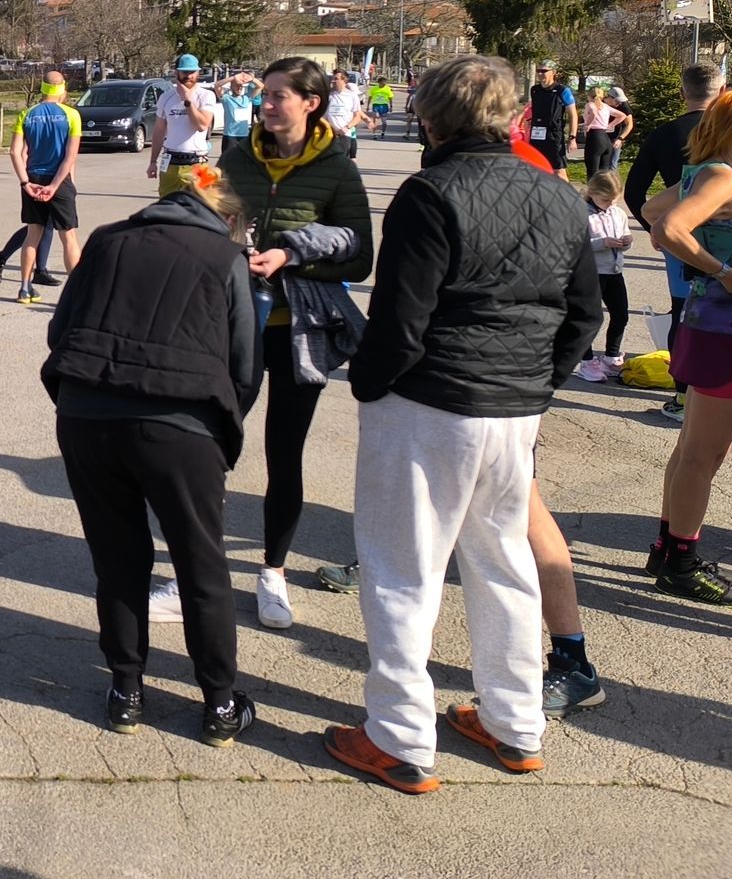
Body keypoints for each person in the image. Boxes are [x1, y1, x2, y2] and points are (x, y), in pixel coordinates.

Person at [324, 56, 601, 795]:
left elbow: (400, 319)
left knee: (403, 569)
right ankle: (515, 722)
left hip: (431, 403)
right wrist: (538, 383)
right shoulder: (558, 193)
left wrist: (369, 385)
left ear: (431, 119)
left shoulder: (429, 192)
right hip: (513, 408)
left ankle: (399, 737)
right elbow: (586, 313)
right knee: (503, 562)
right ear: (514, 118)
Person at [43, 162, 261, 747]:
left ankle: (126, 691)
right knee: (200, 562)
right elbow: (245, 365)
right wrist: (221, 431)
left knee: (117, 558)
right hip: (180, 425)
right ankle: (219, 704)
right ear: (228, 218)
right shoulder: (225, 258)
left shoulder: (105, 240)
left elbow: (60, 331)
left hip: (87, 413)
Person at [215, 57, 372, 630]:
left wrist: (291, 257)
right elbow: (212, 218)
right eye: (266, 93)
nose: (267, 103)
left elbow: (359, 257)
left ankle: (273, 571)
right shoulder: (237, 157)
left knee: (284, 455)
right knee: (210, 447)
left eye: (280, 95)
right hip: (232, 324)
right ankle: (196, 568)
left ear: (311, 103)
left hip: (297, 332)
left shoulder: (338, 169)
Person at [639, 88, 732, 607]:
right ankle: (681, 563)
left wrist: (697, 252)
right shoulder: (722, 177)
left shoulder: (706, 174)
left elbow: (651, 208)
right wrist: (723, 270)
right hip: (730, 330)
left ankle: (668, 549)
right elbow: (668, 226)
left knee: (694, 448)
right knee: (703, 454)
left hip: (713, 325)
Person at [625, 63, 721, 420]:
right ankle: (724, 390)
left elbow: (634, 191)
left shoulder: (664, 134)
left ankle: (682, 397)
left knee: (682, 312)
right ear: (722, 91)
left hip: (680, 235)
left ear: (682, 93)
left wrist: (655, 228)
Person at [10, 70, 83, 305]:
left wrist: (25, 182)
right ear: (62, 89)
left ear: (42, 88)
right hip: (59, 180)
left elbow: (15, 152)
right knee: (68, 236)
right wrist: (55, 186)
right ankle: (75, 295)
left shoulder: (26, 114)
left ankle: (24, 288)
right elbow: (70, 157)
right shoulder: (72, 115)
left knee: (33, 234)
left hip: (33, 178)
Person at [573, 171, 635, 382]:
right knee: (589, 318)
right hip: (591, 273)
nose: (610, 205)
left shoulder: (617, 213)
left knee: (621, 314)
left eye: (614, 201)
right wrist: (602, 243)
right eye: (605, 200)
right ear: (592, 193)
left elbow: (624, 234)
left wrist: (626, 241)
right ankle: (586, 361)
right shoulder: (581, 213)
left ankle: (611, 356)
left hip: (614, 271)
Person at [148, 53, 217, 196]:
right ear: (177, 72)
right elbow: (159, 131)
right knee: (167, 205)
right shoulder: (166, 97)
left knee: (202, 204)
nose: (189, 76)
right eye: (185, 72)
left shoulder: (206, 95)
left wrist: (188, 102)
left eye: (192, 72)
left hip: (197, 163)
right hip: (170, 162)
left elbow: (202, 125)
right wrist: (153, 161)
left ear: (198, 73)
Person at [524, 61, 577, 178]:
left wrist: (572, 137)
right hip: (537, 133)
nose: (540, 74)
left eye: (544, 71)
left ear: (553, 72)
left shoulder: (562, 91)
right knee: (536, 168)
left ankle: (565, 190)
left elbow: (573, 114)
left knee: (558, 170)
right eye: (538, 71)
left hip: (553, 134)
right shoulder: (534, 90)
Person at [324, 70, 379, 160]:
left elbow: (357, 115)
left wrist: (347, 127)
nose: (333, 81)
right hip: (328, 135)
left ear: (344, 80)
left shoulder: (352, 96)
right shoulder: (327, 95)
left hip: (344, 135)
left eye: (336, 79)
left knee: (342, 161)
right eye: (332, 79)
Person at [578, 84, 631, 175]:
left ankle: (594, 184)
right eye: (617, 101)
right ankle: (605, 184)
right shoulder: (605, 106)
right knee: (604, 173)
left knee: (593, 172)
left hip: (596, 137)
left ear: (589, 96)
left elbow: (594, 112)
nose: (619, 103)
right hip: (605, 138)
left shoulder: (590, 104)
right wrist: (609, 125)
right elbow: (622, 115)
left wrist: (588, 125)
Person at [219, 73, 259, 157]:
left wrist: (251, 79)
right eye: (236, 85)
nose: (239, 88)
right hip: (230, 136)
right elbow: (217, 85)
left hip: (244, 135)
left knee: (243, 161)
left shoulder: (246, 98)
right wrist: (233, 78)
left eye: (241, 86)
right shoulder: (226, 98)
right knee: (228, 161)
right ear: (231, 87)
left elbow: (260, 86)